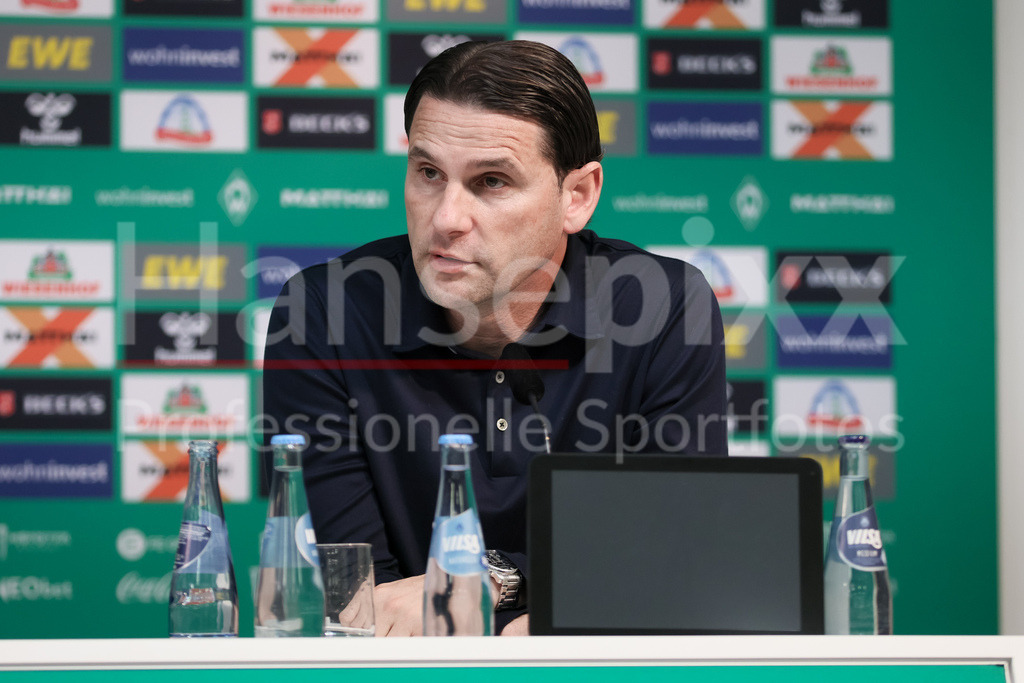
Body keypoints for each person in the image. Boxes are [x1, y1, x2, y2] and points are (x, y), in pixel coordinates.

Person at [262, 40, 728, 637]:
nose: (447, 217)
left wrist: (497, 584)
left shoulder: (664, 306)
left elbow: (673, 562)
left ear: (576, 196)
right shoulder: (320, 313)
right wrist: (539, 607)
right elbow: (356, 599)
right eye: (428, 172)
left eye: (491, 181)